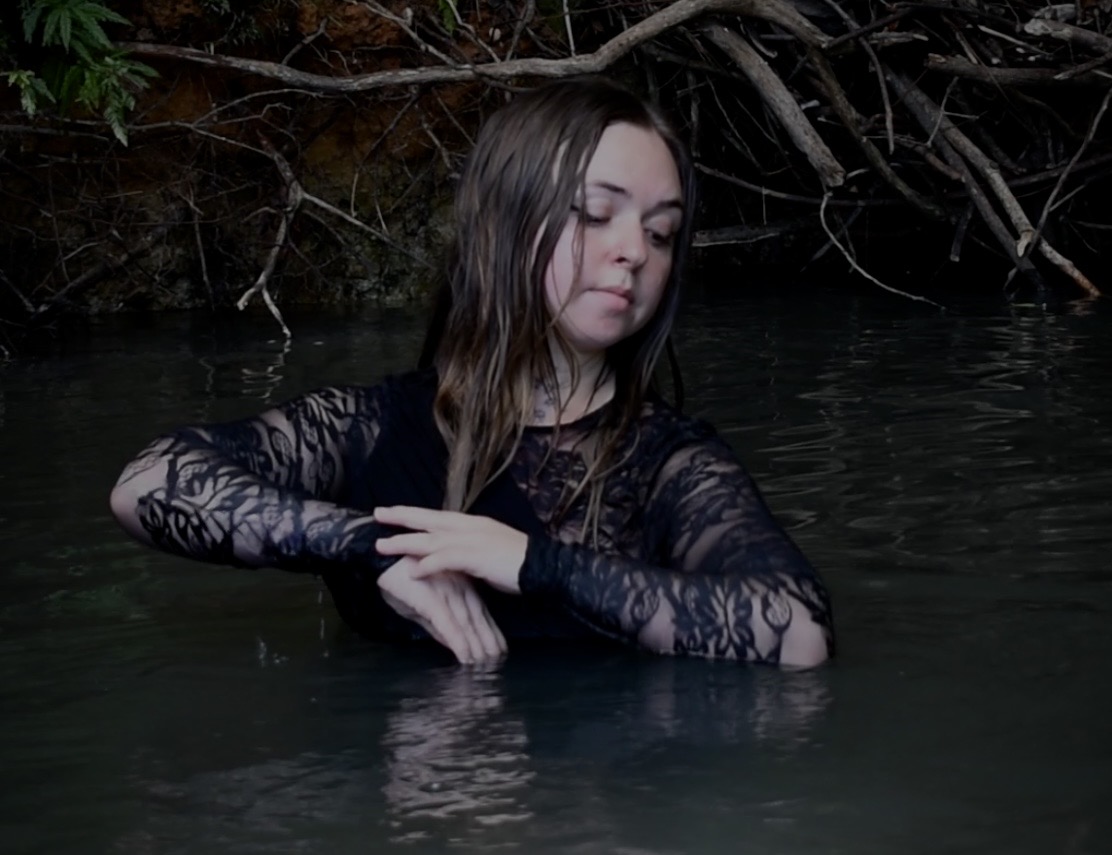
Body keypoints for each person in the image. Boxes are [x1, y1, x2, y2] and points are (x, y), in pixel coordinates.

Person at [109, 77, 833, 668]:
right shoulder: (375, 430)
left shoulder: (671, 465)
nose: (635, 251)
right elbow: (145, 484)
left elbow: (800, 634)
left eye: (660, 231)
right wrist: (371, 549)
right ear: (503, 222)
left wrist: (534, 564)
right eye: (594, 213)